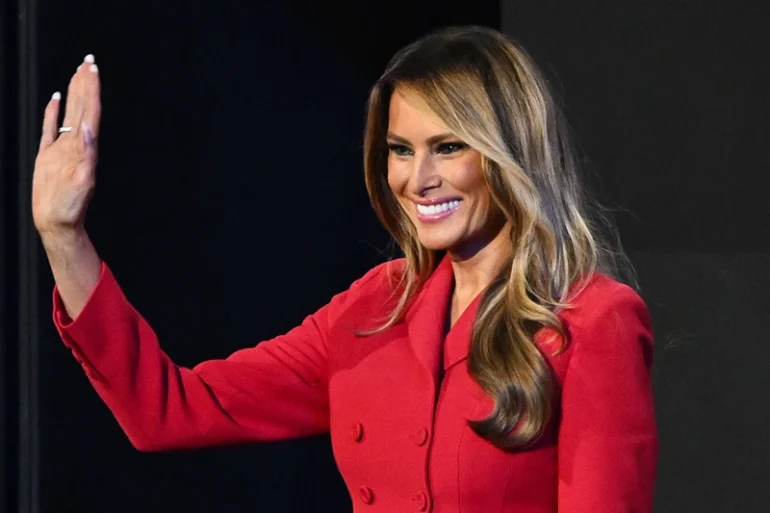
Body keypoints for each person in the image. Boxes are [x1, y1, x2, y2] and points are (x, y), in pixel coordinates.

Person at [32, 26, 657, 513]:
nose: (418, 179)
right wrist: (64, 238)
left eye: (448, 146)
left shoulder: (591, 321)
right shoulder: (373, 311)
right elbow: (168, 409)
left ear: (508, 152)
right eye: (400, 151)